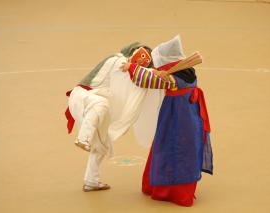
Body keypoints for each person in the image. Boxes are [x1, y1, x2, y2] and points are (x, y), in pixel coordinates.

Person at [121, 35, 213, 206]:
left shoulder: (172, 80)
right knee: (186, 150)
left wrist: (131, 66)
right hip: (190, 117)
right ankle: (181, 190)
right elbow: (159, 75)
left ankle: (171, 193)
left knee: (170, 149)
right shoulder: (188, 74)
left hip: (176, 119)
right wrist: (157, 72)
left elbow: (145, 80)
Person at [65, 42, 153, 191]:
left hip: (95, 101)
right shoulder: (117, 60)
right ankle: (83, 138)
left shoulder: (125, 65)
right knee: (101, 104)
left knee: (102, 143)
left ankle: (91, 181)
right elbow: (132, 77)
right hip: (82, 97)